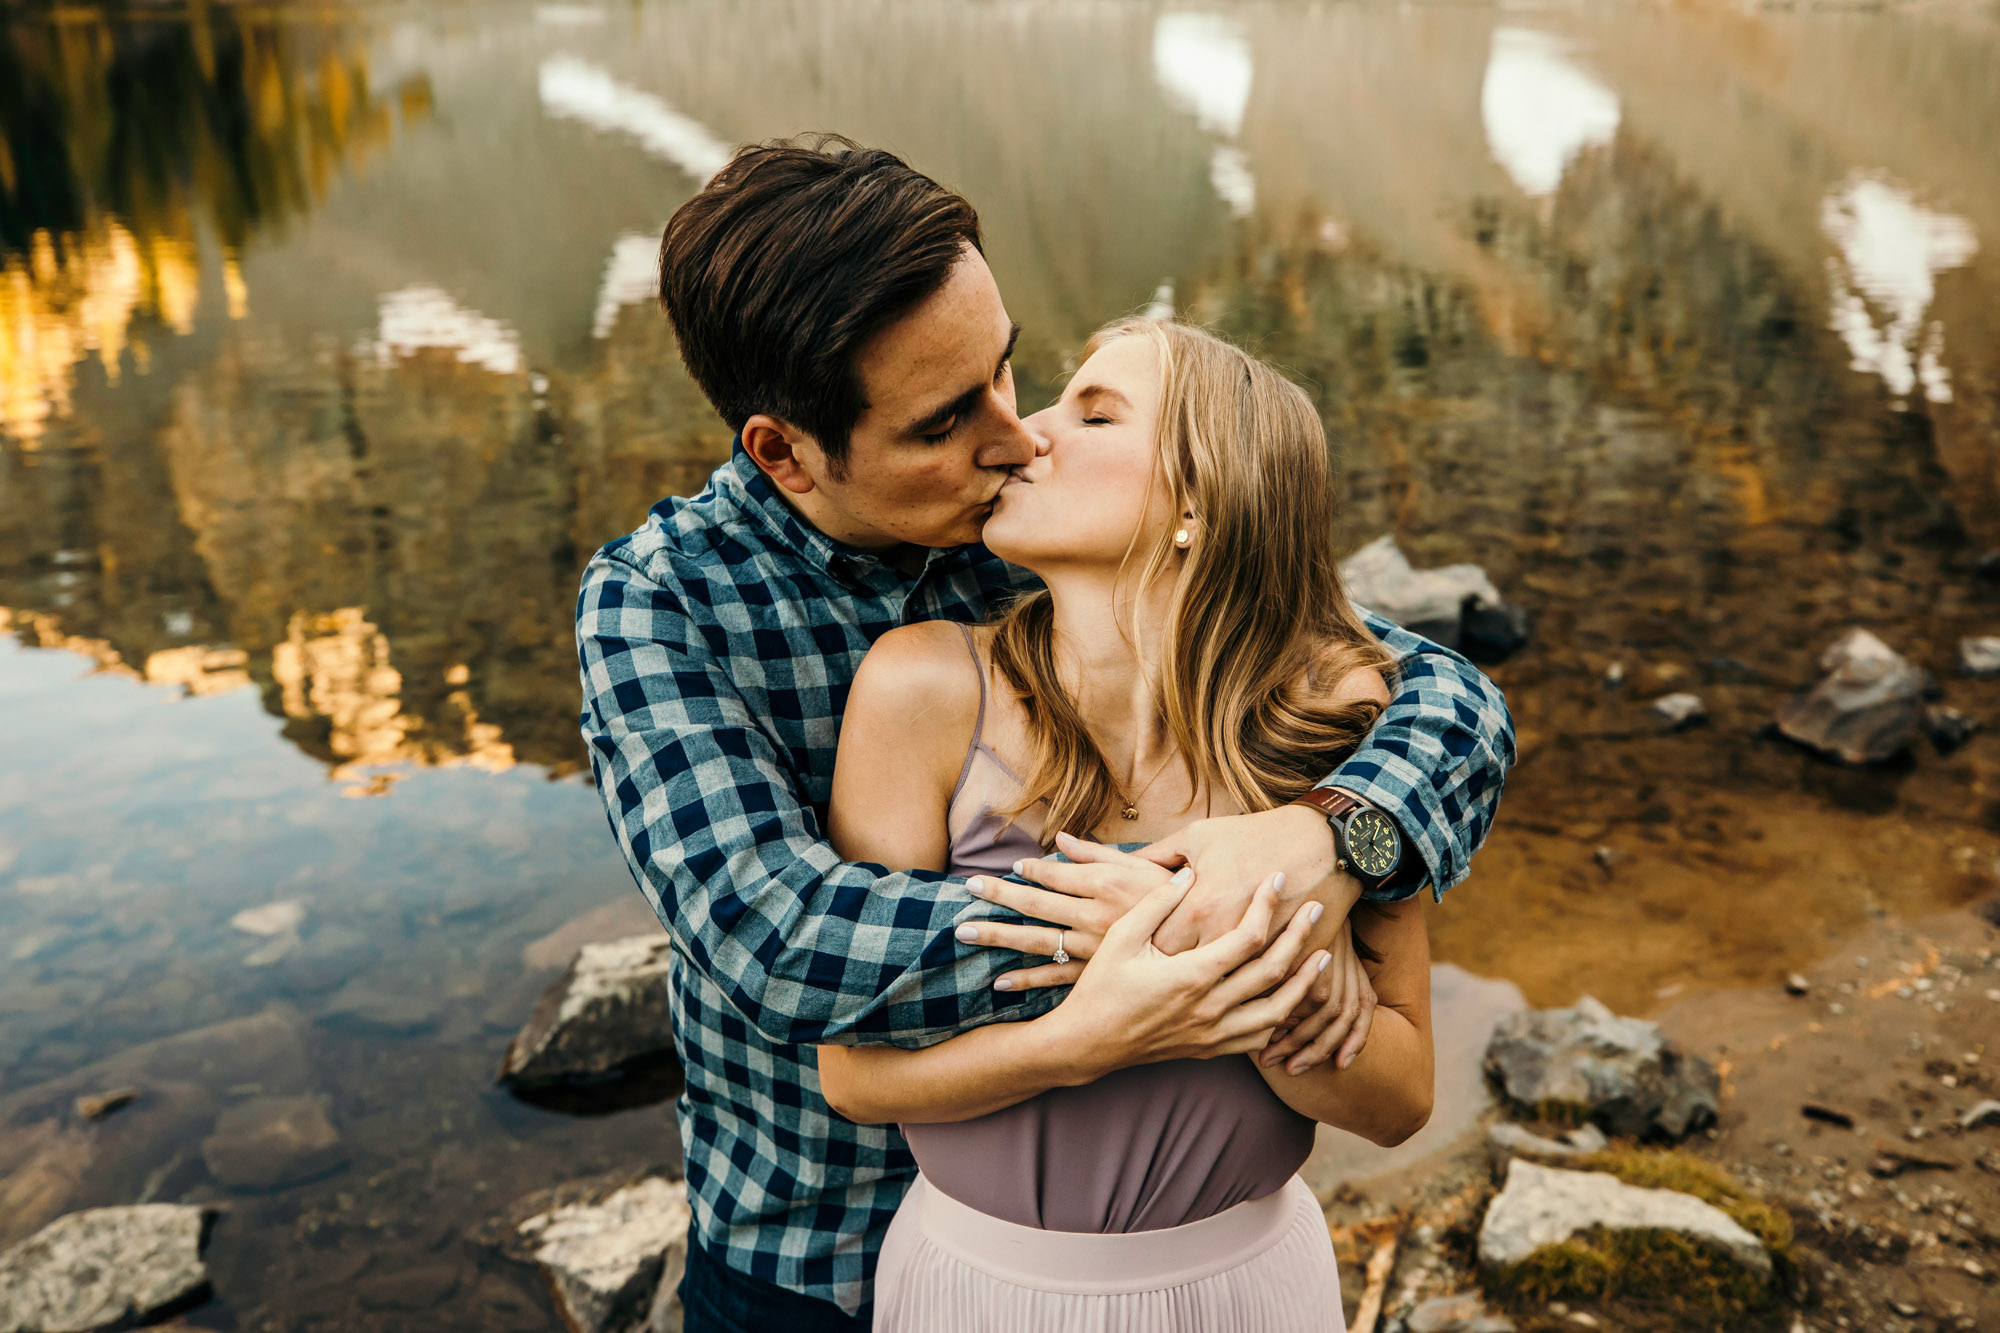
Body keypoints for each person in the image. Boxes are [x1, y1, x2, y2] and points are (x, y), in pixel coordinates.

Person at [575, 136, 1512, 1332]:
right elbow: (777, 937)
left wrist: (1334, 840)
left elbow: (1441, 693)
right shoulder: (663, 603)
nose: (1014, 435)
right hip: (809, 1245)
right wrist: (1192, 926)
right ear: (787, 454)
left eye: (1007, 371)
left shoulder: (1031, 519)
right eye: (945, 419)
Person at [816, 318, 1432, 1330]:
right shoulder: (920, 687)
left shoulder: (1337, 724)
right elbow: (851, 1073)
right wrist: (1082, 1040)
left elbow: (1400, 1099)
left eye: (1093, 412)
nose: (1025, 433)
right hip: (975, 1288)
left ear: (1197, 501)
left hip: (1248, 1285)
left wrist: (1242, 978)